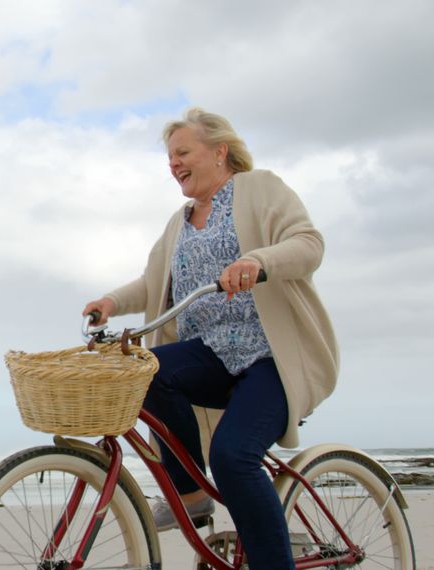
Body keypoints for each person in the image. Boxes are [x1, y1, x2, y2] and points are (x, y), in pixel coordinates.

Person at [82, 108, 338, 569]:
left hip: (269, 357)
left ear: (220, 151)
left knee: (233, 456)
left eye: (182, 152)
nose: (173, 163)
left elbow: (308, 243)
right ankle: (191, 493)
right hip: (213, 354)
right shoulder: (178, 222)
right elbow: (153, 281)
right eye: (169, 157)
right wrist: (111, 302)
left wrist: (259, 261)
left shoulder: (260, 189)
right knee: (147, 371)